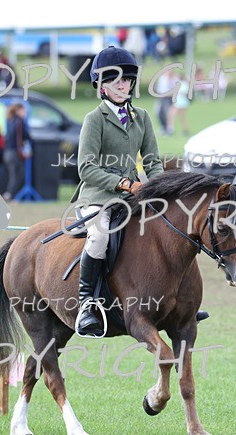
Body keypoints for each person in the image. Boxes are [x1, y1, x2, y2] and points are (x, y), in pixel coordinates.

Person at [71, 46, 163, 337]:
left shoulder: (142, 117)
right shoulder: (94, 119)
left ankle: (173, 302)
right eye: (114, 80)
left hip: (133, 197)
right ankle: (87, 304)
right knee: (99, 237)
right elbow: (86, 168)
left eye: (125, 79)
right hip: (98, 197)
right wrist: (124, 183)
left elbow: (152, 161)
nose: (122, 85)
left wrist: (161, 189)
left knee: (165, 230)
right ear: (101, 86)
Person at [3, 103, 32, 200]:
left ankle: (10, 195)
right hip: (14, 153)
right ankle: (9, 195)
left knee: (13, 175)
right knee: (17, 175)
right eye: (24, 111)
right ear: (18, 111)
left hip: (7, 152)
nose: (25, 113)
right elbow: (26, 136)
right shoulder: (19, 122)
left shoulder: (10, 121)